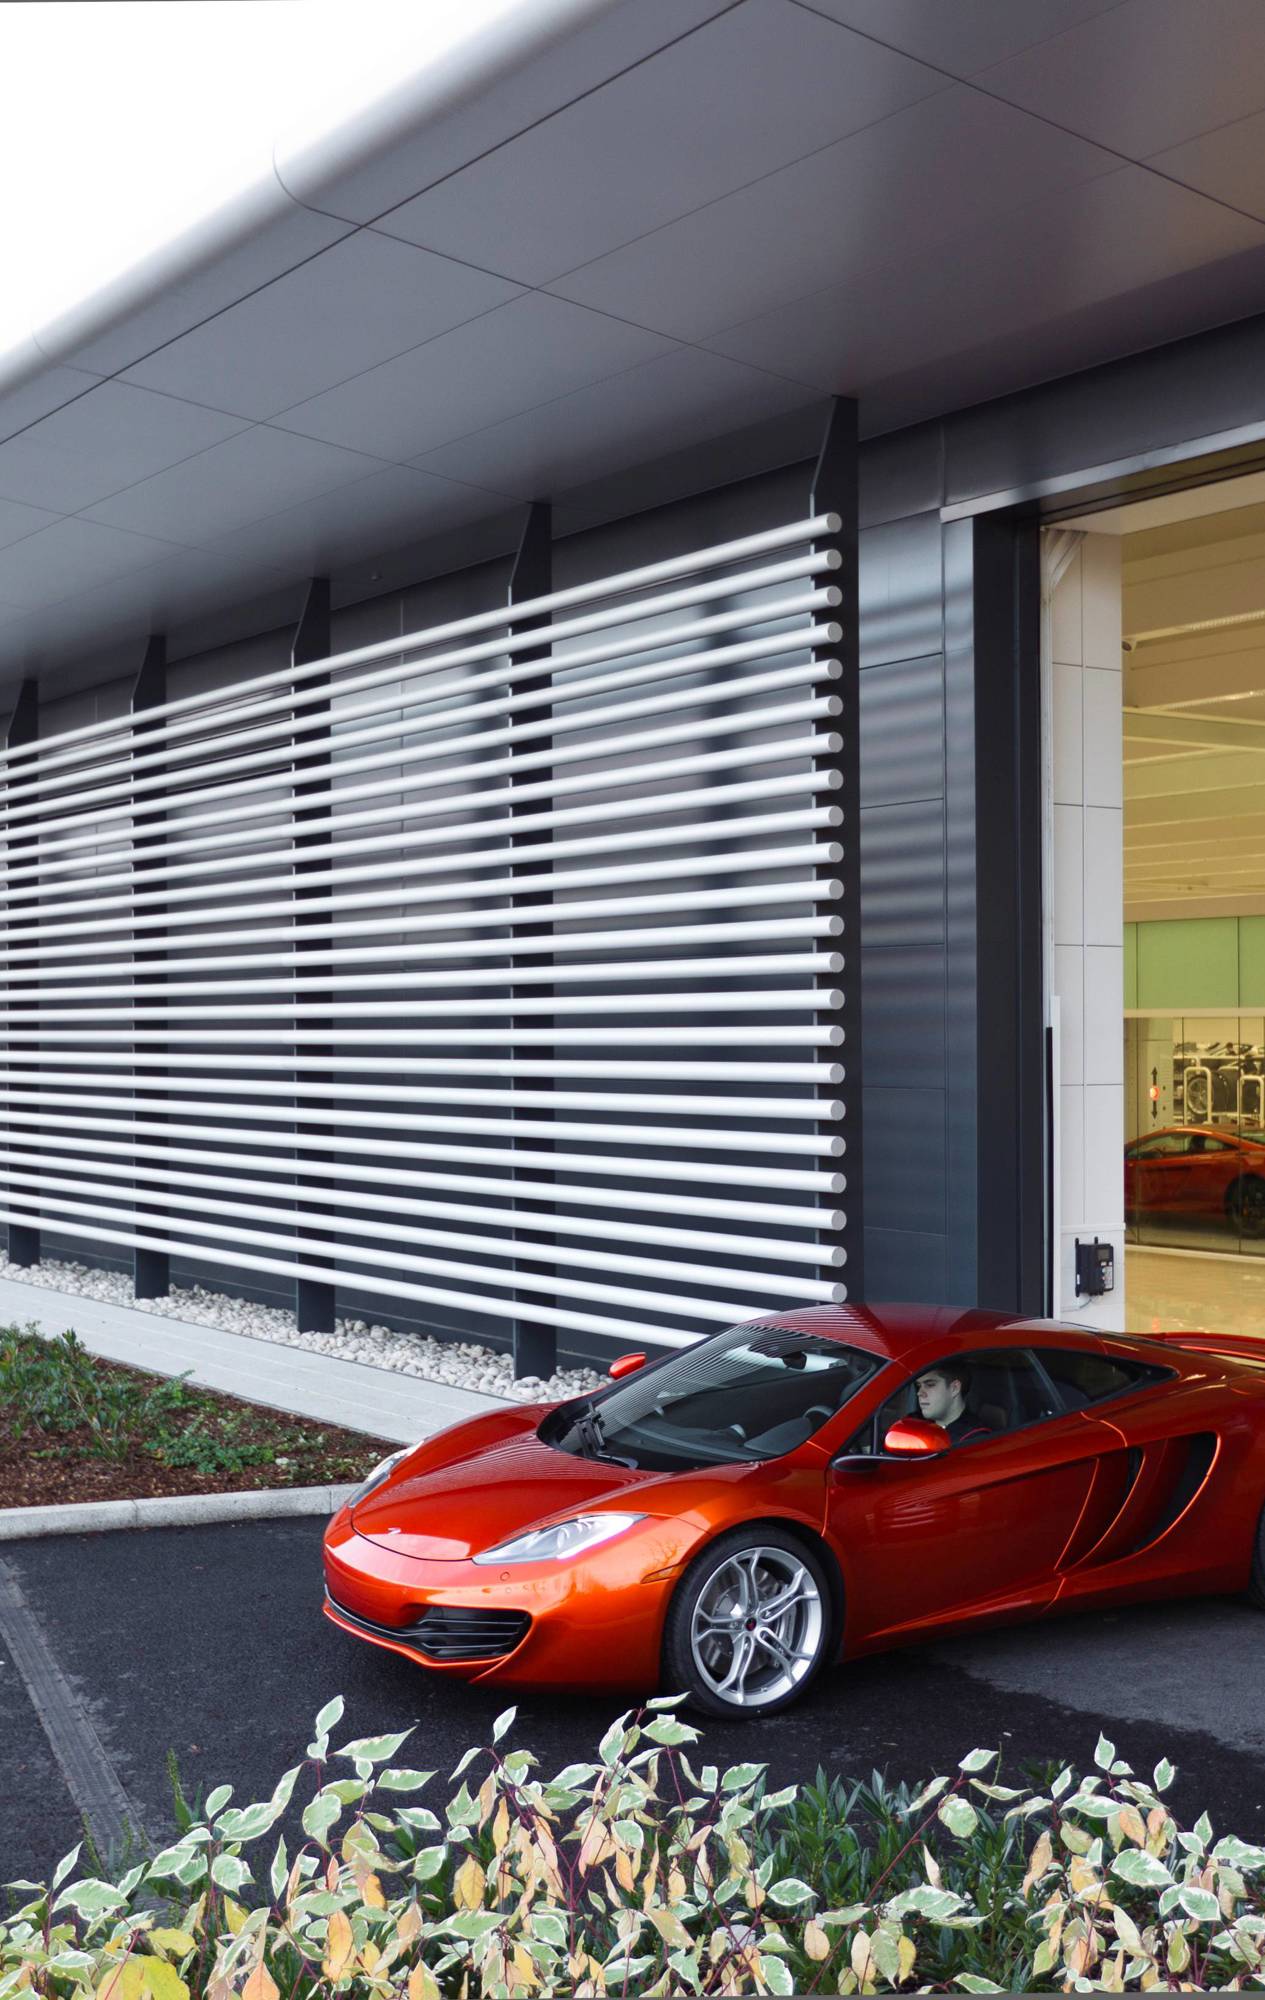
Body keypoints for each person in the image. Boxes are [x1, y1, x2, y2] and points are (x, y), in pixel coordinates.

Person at [913, 1361, 992, 1446]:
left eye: (930, 1385)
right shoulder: (914, 1422)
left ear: (954, 1388)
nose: (919, 1393)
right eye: (919, 1386)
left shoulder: (974, 1439)